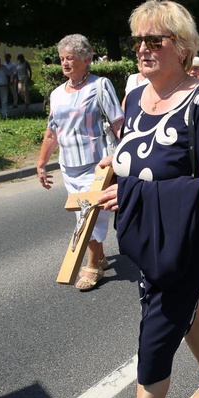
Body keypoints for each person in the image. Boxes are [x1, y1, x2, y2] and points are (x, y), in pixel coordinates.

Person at [96, 0, 199, 398]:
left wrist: (132, 195)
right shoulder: (134, 101)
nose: (143, 48)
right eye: (137, 40)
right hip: (146, 237)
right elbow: (141, 158)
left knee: (154, 343)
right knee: (187, 308)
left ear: (181, 47)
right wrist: (117, 164)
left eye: (154, 40)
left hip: (186, 240)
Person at [36, 34, 124, 291]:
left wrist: (130, 156)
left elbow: (118, 124)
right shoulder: (56, 94)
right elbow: (52, 132)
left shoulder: (99, 85)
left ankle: (93, 263)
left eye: (70, 58)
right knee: (80, 214)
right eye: (62, 58)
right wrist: (42, 164)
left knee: (89, 215)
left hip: (96, 164)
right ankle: (100, 255)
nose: (64, 63)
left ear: (86, 60)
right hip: (69, 165)